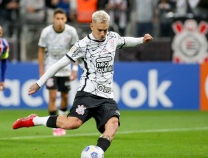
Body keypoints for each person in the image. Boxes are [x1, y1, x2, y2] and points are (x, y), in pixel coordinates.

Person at [12, 10, 153, 153]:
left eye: (105, 30)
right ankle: (34, 120)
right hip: (87, 94)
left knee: (113, 124)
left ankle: (97, 152)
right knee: (72, 123)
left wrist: (141, 39)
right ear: (91, 26)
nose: (103, 34)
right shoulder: (82, 45)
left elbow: (126, 41)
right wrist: (39, 83)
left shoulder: (112, 38)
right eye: (100, 30)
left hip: (107, 97)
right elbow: (58, 65)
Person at [38, 8, 79, 136]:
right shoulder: (46, 32)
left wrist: (75, 68)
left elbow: (76, 50)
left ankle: (61, 121)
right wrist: (42, 70)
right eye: (58, 19)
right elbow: (41, 50)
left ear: (65, 19)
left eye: (62, 19)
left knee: (65, 96)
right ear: (53, 19)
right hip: (51, 67)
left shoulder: (71, 31)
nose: (60, 21)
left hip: (66, 68)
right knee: (53, 95)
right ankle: (55, 125)